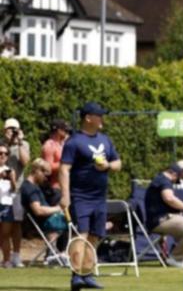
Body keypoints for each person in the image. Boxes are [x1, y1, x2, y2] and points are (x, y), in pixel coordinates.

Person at [59, 102, 122, 290]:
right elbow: (64, 169)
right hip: (80, 197)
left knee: (95, 235)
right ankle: (76, 275)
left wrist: (108, 166)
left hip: (99, 198)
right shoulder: (74, 141)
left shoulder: (105, 139)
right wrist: (65, 196)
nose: (102, 118)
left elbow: (118, 163)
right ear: (88, 118)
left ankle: (87, 273)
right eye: (99, 115)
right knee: (81, 234)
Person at [145, 163, 183, 267]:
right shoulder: (164, 181)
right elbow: (169, 198)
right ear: (173, 174)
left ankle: (177, 256)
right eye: (176, 178)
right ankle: (176, 258)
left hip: (157, 220)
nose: (174, 182)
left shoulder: (158, 180)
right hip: (161, 220)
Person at [20, 159, 68, 264]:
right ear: (37, 170)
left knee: (73, 214)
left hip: (50, 219)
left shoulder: (35, 186)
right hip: (46, 222)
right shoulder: (30, 189)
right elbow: (38, 210)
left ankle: (59, 253)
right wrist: (59, 208)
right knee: (75, 218)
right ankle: (59, 254)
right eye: (46, 175)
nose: (47, 179)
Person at [2, 118, 29, 268]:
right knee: (3, 225)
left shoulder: (23, 145)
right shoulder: (1, 144)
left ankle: (16, 255)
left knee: (16, 224)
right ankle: (5, 257)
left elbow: (25, 162)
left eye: (14, 129)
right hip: (2, 190)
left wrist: (18, 142)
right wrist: (6, 144)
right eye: (9, 129)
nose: (12, 132)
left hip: (17, 189)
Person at [0, 145, 17, 268]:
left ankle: (6, 260)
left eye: (5, 154)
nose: (2, 156)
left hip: (6, 203)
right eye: (0, 153)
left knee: (5, 234)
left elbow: (13, 190)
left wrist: (12, 180)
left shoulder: (10, 170)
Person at [41, 119, 71, 189]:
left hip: (65, 186)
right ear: (58, 130)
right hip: (54, 188)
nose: (67, 132)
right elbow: (48, 168)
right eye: (65, 130)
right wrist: (65, 164)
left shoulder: (62, 144)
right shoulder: (49, 146)